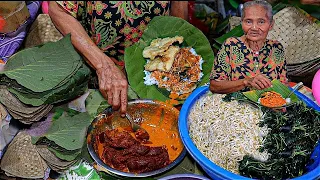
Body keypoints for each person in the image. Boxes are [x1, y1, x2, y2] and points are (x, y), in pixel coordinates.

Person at [48, 1, 188, 116]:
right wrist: (103, 67)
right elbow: (58, 10)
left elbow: (178, 8)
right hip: (99, 70)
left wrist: (176, 46)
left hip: (154, 71)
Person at [209, 0, 288, 94]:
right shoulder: (231, 45)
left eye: (261, 22)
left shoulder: (276, 48)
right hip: (235, 106)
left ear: (271, 25)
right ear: (242, 23)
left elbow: (283, 85)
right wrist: (246, 81)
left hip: (268, 106)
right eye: (248, 21)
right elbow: (214, 86)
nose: (254, 28)